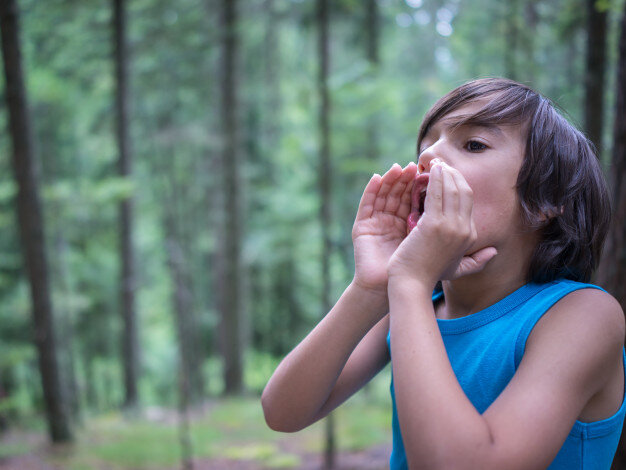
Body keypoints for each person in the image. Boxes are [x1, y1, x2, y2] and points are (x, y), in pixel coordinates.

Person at [261, 78, 626, 469]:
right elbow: (283, 412)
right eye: (425, 147)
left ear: (546, 202)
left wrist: (411, 282)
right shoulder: (414, 303)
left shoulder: (583, 315)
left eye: (473, 144)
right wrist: (372, 286)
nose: (429, 156)